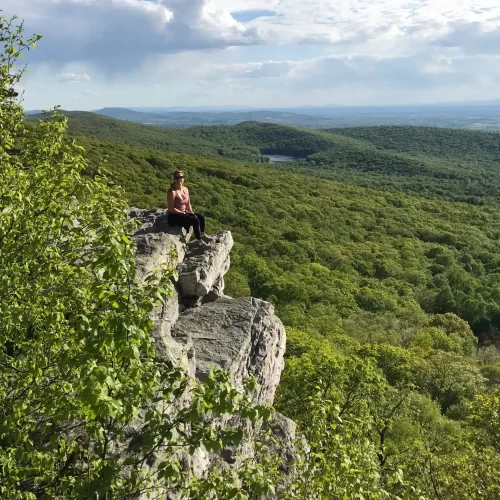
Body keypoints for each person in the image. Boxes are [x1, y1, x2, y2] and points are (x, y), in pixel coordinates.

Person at [167, 170, 209, 244]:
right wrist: (183, 213)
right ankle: (200, 242)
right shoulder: (172, 192)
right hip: (175, 216)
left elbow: (188, 204)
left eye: (181, 177)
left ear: (183, 178)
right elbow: (171, 209)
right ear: (174, 178)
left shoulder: (185, 189)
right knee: (195, 220)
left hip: (183, 213)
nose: (179, 179)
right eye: (177, 177)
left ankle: (202, 235)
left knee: (200, 217)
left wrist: (191, 213)